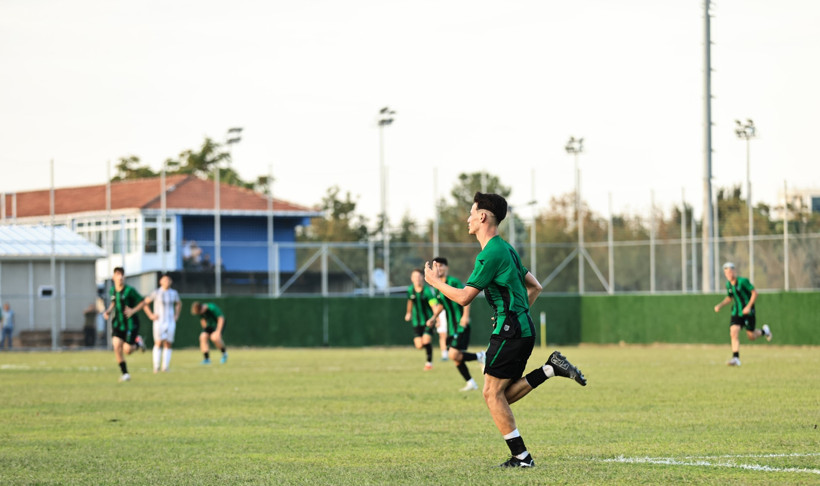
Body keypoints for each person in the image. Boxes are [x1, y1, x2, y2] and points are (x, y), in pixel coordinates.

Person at [424, 192, 587, 468]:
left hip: (511, 331)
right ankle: (550, 369)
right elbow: (536, 286)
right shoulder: (507, 249)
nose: (468, 219)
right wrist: (515, 314)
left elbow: (464, 297)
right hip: (520, 328)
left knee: (492, 395)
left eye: (471, 213)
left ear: (482, 216)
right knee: (499, 396)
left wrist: (435, 282)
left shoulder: (490, 254)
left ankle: (522, 458)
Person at [429, 257, 485, 391]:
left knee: (453, 354)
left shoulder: (453, 282)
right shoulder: (437, 286)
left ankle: (481, 356)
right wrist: (434, 317)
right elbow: (441, 304)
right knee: (456, 357)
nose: (439, 268)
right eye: (436, 266)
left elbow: (466, 297)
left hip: (460, 324)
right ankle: (471, 382)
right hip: (451, 326)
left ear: (446, 267)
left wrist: (465, 316)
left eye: (441, 265)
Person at [713, 262, 772, 366]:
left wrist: (748, 307)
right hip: (737, 311)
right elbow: (729, 297)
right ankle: (736, 358)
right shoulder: (728, 284)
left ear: (734, 271)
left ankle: (765, 331)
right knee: (733, 332)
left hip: (748, 312)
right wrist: (720, 305)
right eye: (726, 273)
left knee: (751, 336)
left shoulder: (743, 281)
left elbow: (755, 293)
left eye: (730, 272)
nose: (728, 274)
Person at [102, 267, 147, 382]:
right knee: (116, 346)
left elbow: (143, 302)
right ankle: (125, 373)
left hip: (130, 323)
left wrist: (133, 310)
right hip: (118, 323)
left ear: (124, 277)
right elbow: (114, 302)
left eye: (121, 275)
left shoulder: (129, 290)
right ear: (114, 277)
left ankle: (138, 342)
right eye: (117, 274)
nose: (120, 277)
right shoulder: (112, 290)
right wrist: (108, 311)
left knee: (127, 350)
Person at [143, 273, 181, 373]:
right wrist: (150, 315)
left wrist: (176, 315)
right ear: (160, 282)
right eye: (164, 280)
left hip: (170, 321)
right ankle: (156, 366)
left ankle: (165, 367)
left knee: (168, 343)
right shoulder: (156, 292)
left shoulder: (174, 293)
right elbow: (145, 303)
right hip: (159, 322)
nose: (166, 282)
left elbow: (178, 303)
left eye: (168, 280)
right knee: (158, 342)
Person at [404, 268, 438, 370]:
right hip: (416, 321)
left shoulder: (427, 291)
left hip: (428, 320)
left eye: (418, 276)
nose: (416, 279)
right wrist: (408, 313)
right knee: (419, 345)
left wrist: (436, 318)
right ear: (411, 278)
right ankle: (428, 352)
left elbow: (433, 305)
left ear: (422, 278)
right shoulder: (410, 290)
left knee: (426, 340)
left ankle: (429, 363)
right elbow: (410, 301)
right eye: (414, 276)